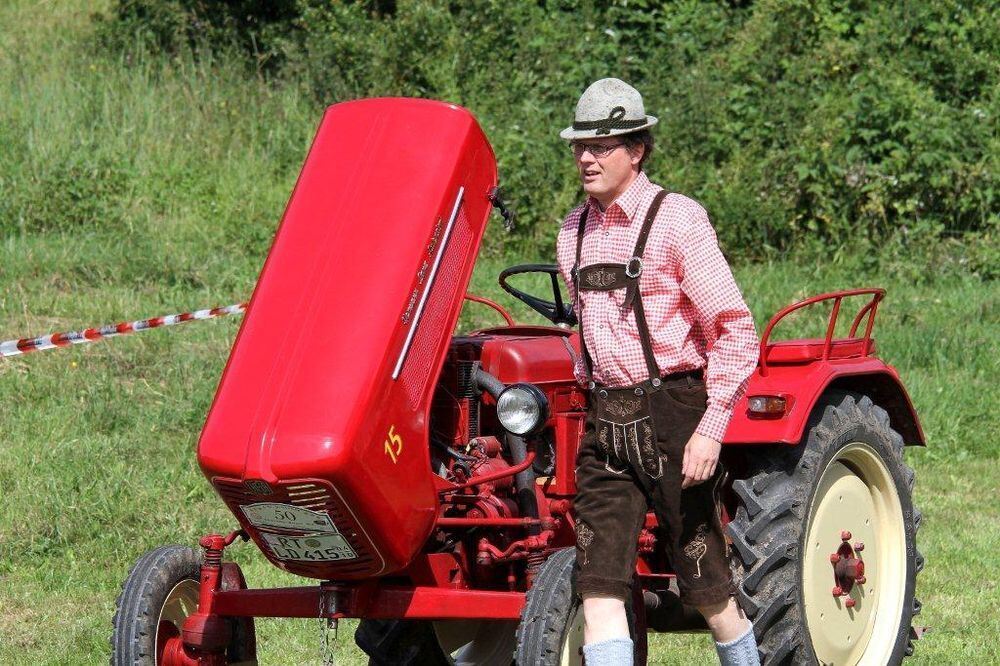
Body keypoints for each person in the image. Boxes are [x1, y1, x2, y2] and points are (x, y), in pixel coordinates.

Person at [555, 78, 761, 666]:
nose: (586, 158)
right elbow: (584, 327)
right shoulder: (573, 231)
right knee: (597, 583)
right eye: (579, 146)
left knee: (706, 588)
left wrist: (712, 427)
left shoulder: (679, 222)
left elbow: (734, 328)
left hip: (675, 414)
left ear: (637, 150)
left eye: (602, 146)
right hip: (607, 421)